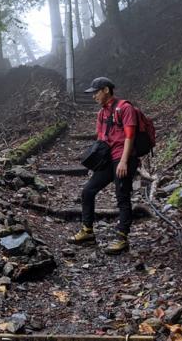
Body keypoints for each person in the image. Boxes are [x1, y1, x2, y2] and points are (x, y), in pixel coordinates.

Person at [68, 77, 138, 254]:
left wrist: (123, 161)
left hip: (123, 158)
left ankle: (122, 239)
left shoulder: (125, 108)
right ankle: (88, 231)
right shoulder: (102, 113)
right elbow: (101, 139)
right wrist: (95, 163)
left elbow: (130, 136)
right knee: (88, 191)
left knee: (122, 196)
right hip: (108, 159)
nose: (94, 97)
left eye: (96, 92)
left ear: (106, 90)